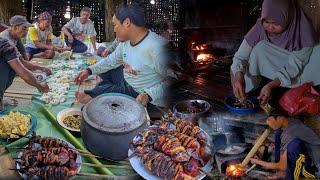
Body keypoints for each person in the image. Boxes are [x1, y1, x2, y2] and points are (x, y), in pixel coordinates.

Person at [74, 3, 169, 107]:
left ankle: (101, 93)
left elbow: (176, 81)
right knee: (107, 69)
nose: (114, 29)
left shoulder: (158, 48)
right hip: (129, 79)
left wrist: (149, 95)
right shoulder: (125, 42)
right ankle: (106, 89)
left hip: (143, 94)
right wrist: (89, 71)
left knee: (109, 91)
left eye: (115, 25)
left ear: (127, 23)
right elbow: (111, 61)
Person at [230, 0, 319, 106]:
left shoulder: (302, 30)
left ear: (288, 17)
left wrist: (271, 85)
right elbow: (240, 55)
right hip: (281, 59)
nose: (270, 27)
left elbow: (295, 66)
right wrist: (238, 74)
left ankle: (297, 88)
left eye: (276, 23)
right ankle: (248, 93)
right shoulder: (260, 26)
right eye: (266, 22)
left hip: (304, 64)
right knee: (258, 48)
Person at [250, 109, 320, 179]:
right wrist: (269, 143)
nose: (270, 124)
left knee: (292, 147)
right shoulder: (291, 122)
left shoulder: (289, 134)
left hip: (314, 166)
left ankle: (289, 175)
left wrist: (258, 162)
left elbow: (282, 166)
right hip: (309, 150)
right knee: (279, 135)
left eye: (271, 120)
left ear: (280, 118)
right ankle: (281, 171)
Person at [0, 37, 49, 111]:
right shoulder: (5, 43)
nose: (25, 31)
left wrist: (41, 68)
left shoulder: (14, 39)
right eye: (24, 28)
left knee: (14, 63)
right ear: (15, 27)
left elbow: (22, 61)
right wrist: (40, 86)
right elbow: (22, 71)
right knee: (11, 65)